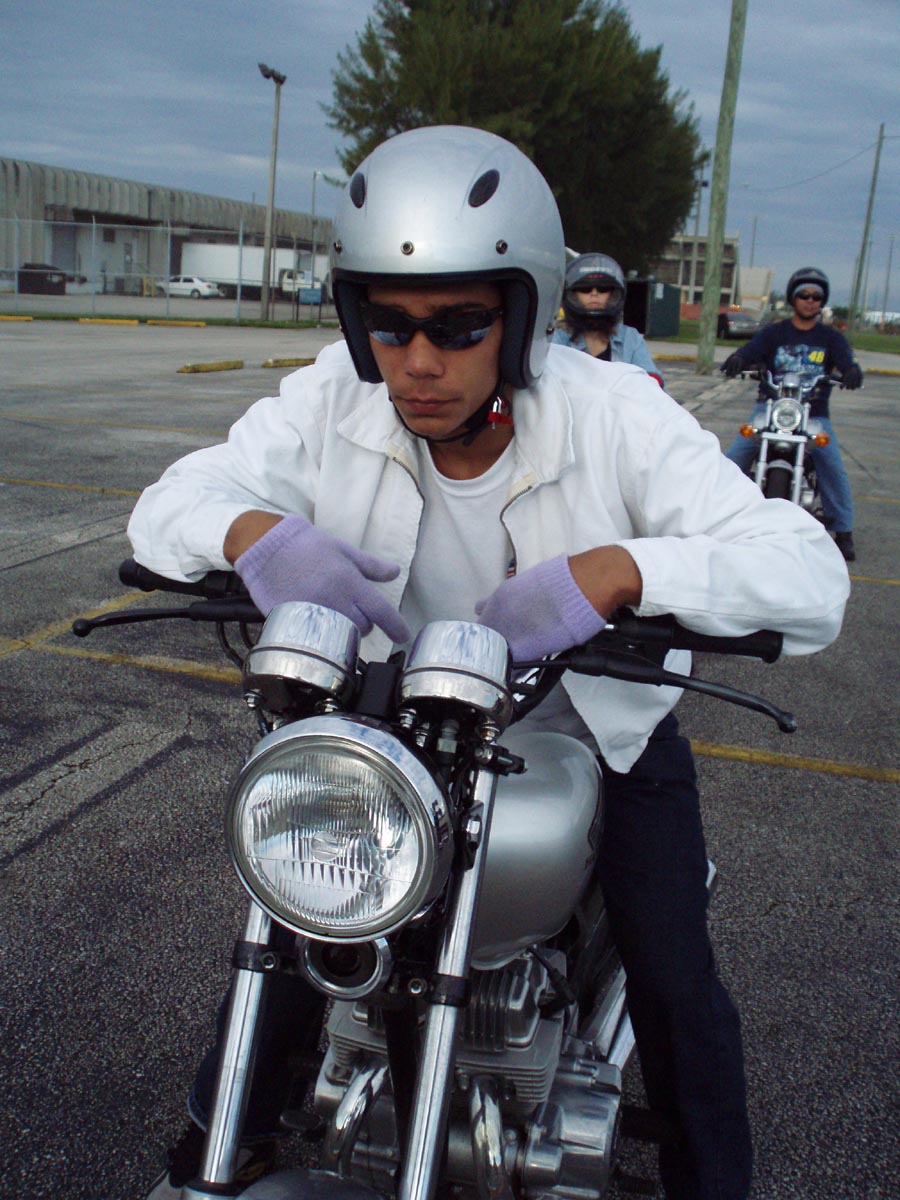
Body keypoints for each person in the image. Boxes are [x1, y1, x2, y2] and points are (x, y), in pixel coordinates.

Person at [129, 127, 850, 1200]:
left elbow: (807, 574)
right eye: (389, 322)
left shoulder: (617, 413)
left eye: (459, 324)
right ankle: (218, 1143)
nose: (419, 361)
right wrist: (250, 534)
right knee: (296, 925)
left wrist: (620, 570)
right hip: (391, 727)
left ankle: (712, 1178)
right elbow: (167, 505)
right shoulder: (332, 395)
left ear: (523, 314)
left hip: (586, 728)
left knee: (673, 971)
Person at [721, 267, 863, 561]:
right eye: (804, 295)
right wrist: (738, 358)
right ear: (793, 298)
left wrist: (851, 370)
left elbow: (846, 360)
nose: (810, 300)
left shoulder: (830, 338)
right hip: (770, 408)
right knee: (734, 457)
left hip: (813, 413)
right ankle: (717, 514)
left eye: (816, 296)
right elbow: (752, 350)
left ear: (821, 302)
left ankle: (843, 530)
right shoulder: (775, 332)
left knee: (832, 464)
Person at [552, 252, 664, 386]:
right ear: (572, 294)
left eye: (603, 288)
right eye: (585, 289)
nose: (594, 293)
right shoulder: (556, 339)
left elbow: (653, 384)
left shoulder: (630, 339)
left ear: (613, 294)